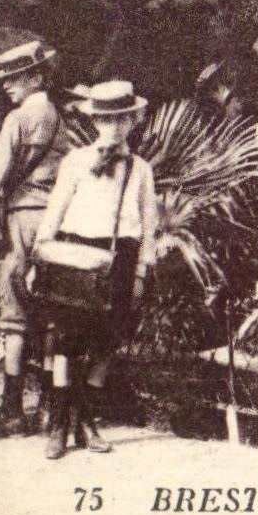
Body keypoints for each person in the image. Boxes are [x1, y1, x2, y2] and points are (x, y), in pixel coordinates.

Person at [33, 80, 158, 459]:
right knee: (67, 343)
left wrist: (140, 272)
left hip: (121, 257)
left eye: (122, 119)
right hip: (76, 255)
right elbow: (55, 210)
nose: (115, 127)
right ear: (95, 121)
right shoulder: (74, 162)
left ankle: (86, 422)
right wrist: (40, 252)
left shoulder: (140, 169)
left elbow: (149, 225)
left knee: (106, 342)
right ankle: (58, 424)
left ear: (133, 120)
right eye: (107, 119)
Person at [0, 34, 69, 436]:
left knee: (15, 317)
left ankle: (10, 412)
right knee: (53, 314)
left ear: (37, 77)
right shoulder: (61, 119)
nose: (7, 85)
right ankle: (48, 409)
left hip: (22, 219)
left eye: (16, 77)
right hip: (58, 222)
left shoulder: (17, 119)